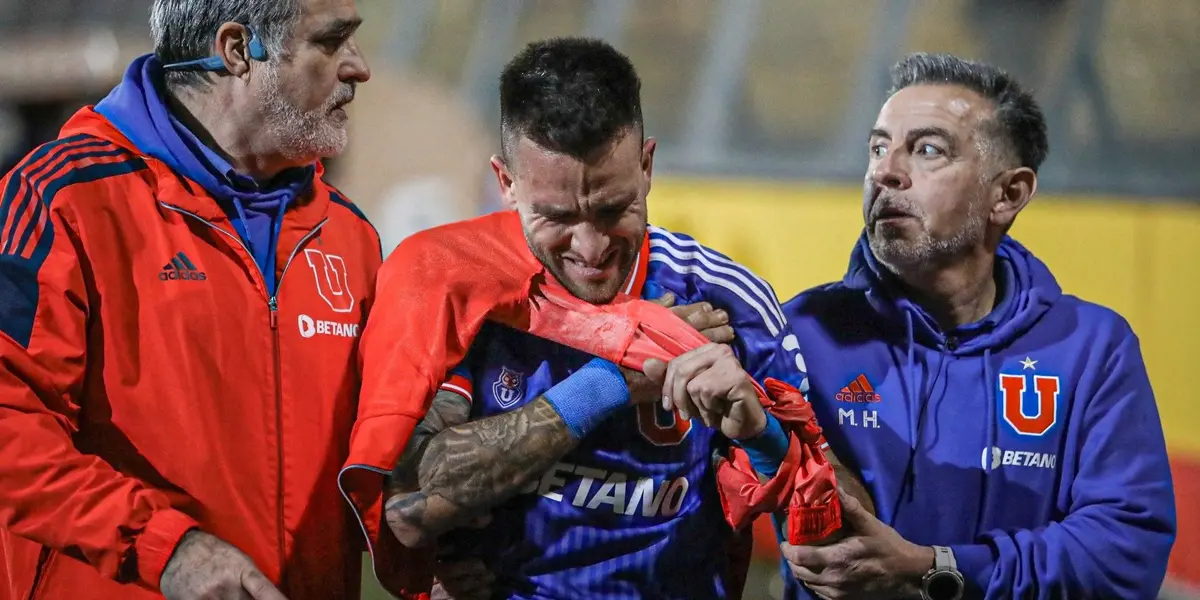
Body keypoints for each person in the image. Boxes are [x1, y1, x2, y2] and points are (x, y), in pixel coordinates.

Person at [340, 37, 861, 600]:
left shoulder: (725, 300)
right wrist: (614, 378)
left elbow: (851, 544)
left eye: (613, 210)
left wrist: (764, 436)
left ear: (646, 166)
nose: (589, 249)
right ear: (507, 183)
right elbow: (409, 510)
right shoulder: (464, 290)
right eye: (557, 216)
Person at [0, 0, 376, 598]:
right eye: (331, 43)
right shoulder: (62, 201)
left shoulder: (351, 236)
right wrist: (163, 547)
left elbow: (377, 448)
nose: (359, 68)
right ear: (237, 51)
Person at [778, 52, 1176, 600]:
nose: (886, 171)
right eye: (877, 147)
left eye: (928, 150)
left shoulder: (1092, 349)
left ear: (1007, 194)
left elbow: (1125, 553)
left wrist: (934, 568)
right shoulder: (802, 333)